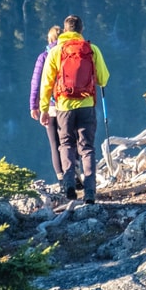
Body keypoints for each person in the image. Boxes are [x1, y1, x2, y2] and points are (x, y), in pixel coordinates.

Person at [38, 15, 110, 204]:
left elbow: (46, 83)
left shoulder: (56, 51)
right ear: (81, 29)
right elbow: (103, 79)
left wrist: (44, 108)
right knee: (86, 148)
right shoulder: (91, 49)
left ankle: (69, 185)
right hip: (87, 106)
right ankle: (90, 192)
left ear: (65, 29)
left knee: (66, 144)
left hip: (63, 107)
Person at [29, 25, 68, 188]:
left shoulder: (44, 56)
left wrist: (34, 105)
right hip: (68, 104)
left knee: (55, 144)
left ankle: (61, 179)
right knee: (69, 142)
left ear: (49, 39)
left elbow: (36, 82)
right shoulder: (68, 54)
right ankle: (73, 174)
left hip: (50, 106)